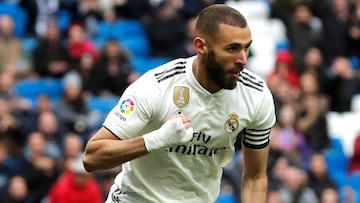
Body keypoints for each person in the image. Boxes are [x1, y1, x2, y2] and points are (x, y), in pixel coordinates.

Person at [83, 4, 276, 203]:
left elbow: (255, 177)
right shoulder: (156, 86)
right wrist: (157, 139)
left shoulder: (256, 95)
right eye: (232, 49)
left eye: (246, 48)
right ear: (201, 46)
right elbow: (92, 157)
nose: (243, 59)